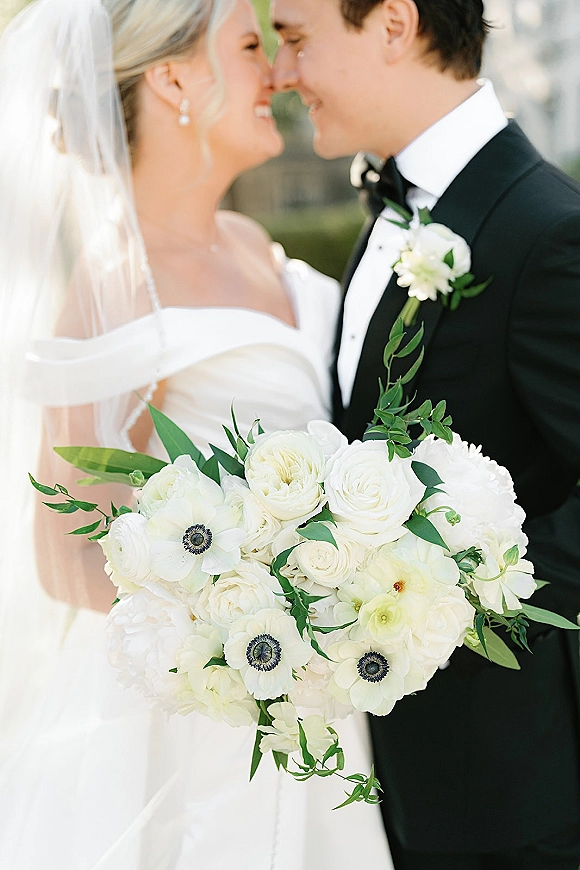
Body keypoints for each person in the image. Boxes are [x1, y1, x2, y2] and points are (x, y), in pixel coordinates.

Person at [0, 0, 393, 867]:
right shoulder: (115, 282)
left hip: (314, 694)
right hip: (196, 722)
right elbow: (65, 555)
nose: (277, 75)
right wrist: (246, 624)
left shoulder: (251, 240)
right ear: (174, 77)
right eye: (251, 48)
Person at [270, 0, 580, 867]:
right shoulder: (398, 204)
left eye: (296, 38)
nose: (284, 74)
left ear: (394, 25)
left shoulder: (544, 231)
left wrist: (453, 585)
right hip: (405, 780)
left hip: (518, 793)